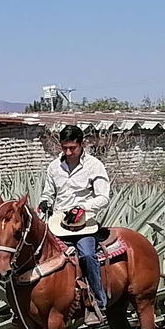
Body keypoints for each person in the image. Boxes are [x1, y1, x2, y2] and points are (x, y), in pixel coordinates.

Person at [38, 124, 111, 316]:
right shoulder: (54, 167)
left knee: (86, 254)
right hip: (58, 223)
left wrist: (83, 207)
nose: (68, 152)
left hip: (83, 225)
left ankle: (98, 300)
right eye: (65, 148)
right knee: (37, 252)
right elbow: (48, 193)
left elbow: (103, 197)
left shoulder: (94, 165)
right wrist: (45, 202)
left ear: (82, 144)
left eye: (72, 148)